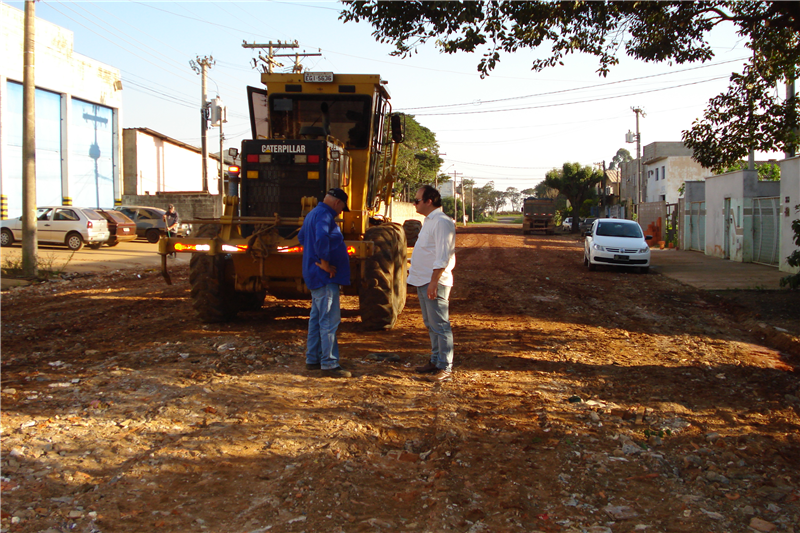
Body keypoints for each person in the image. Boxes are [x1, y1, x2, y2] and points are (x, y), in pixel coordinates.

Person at [297, 188, 352, 378]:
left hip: (314, 274)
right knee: (329, 319)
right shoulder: (325, 216)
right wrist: (325, 263)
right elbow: (321, 238)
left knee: (316, 318)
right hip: (324, 277)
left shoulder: (312, 213)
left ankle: (313, 359)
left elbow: (302, 238)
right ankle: (329, 363)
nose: (341, 211)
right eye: (343, 207)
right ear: (338, 203)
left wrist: (315, 256)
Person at [407, 185, 456, 382]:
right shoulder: (429, 221)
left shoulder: (442, 222)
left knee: (440, 325)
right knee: (431, 324)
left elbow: (443, 256)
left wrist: (434, 282)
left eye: (417, 200)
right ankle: (435, 361)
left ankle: (445, 367)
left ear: (429, 201)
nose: (414, 203)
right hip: (423, 280)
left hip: (433, 281)